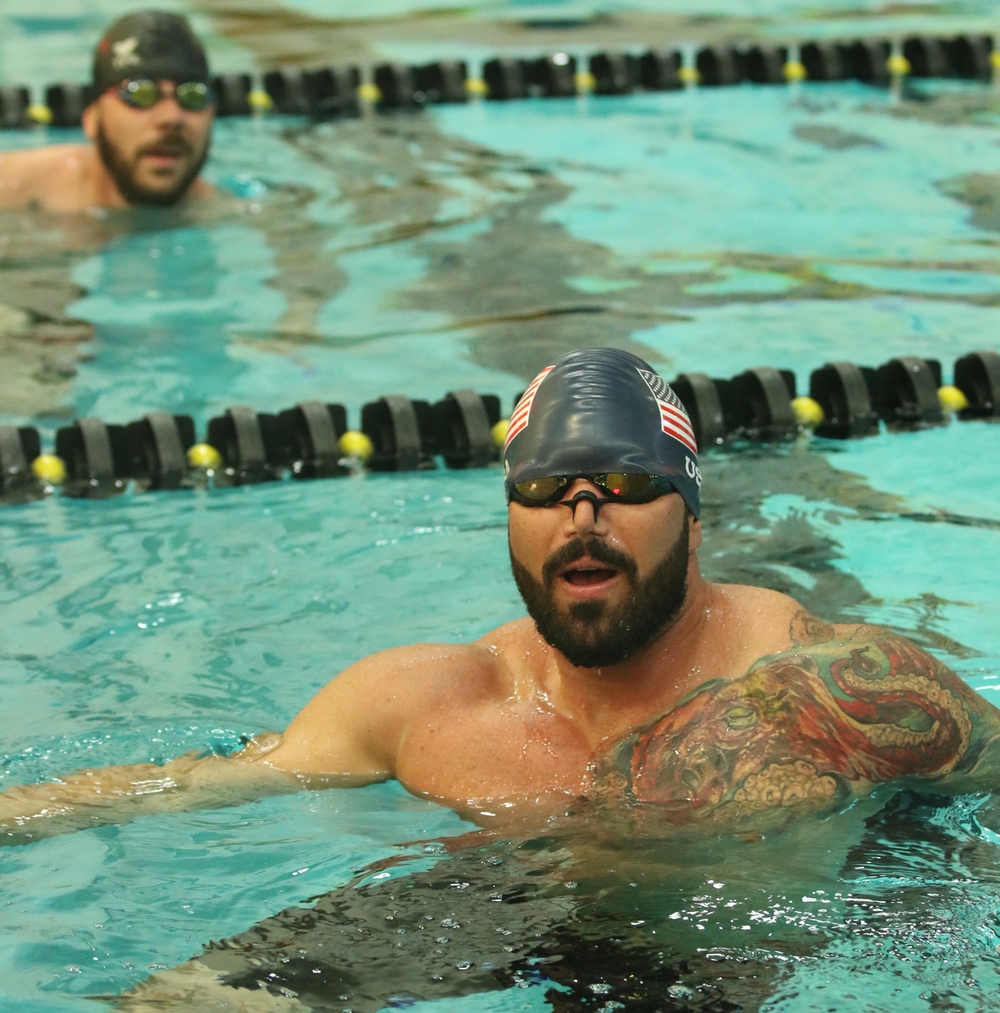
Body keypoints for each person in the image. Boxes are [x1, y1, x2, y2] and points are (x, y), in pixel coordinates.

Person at [3, 345, 998, 845]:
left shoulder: (832, 688)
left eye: (619, 486)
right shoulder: (424, 703)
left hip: (761, 1003)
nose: (581, 517)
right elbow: (183, 787)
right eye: (545, 491)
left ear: (689, 514)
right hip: (503, 935)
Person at [0, 10, 217, 215]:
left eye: (193, 96)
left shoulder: (222, 214)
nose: (171, 118)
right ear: (92, 118)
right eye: (140, 93)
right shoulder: (12, 188)